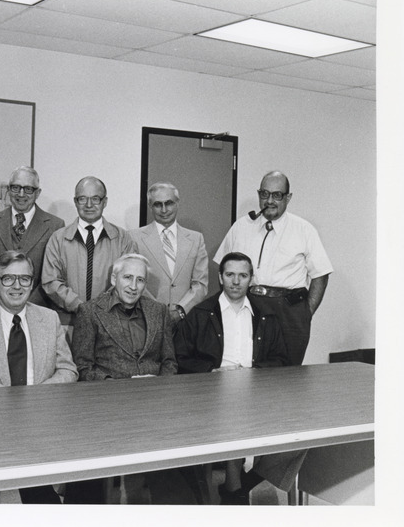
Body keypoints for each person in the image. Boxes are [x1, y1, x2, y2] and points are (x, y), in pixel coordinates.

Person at [0, 251, 77, 503]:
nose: (17, 286)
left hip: (40, 417)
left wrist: (36, 396)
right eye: (8, 278)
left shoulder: (49, 318)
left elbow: (68, 370)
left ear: (32, 283)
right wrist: (8, 399)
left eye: (24, 279)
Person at [174, 252, 292, 504]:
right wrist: (211, 372)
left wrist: (255, 371)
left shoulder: (267, 314)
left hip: (257, 389)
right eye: (230, 275)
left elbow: (282, 359)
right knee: (233, 415)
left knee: (301, 433)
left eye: (242, 275)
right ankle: (234, 489)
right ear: (220, 277)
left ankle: (240, 484)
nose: (236, 281)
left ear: (251, 278)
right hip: (212, 392)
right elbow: (180, 358)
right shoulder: (201, 313)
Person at [66, 253, 176, 504]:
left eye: (140, 280)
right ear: (114, 278)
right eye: (127, 277)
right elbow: (82, 367)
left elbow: (169, 361)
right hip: (108, 406)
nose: (133, 286)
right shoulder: (90, 311)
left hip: (155, 404)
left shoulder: (158, 311)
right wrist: (117, 386)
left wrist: (161, 386)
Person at [214, 171, 332, 365]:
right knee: (246, 366)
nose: (269, 201)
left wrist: (304, 314)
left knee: (287, 375)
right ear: (259, 194)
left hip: (289, 312)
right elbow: (223, 268)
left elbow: (321, 275)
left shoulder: (304, 230)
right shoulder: (241, 227)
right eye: (264, 194)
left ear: (288, 198)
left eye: (277, 195)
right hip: (249, 306)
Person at [42, 176, 136, 331]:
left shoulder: (123, 238)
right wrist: (80, 307)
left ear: (105, 202)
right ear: (75, 201)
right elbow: (50, 281)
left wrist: (100, 309)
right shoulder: (58, 238)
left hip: (111, 324)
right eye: (82, 199)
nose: (89, 205)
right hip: (68, 325)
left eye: (95, 199)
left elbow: (128, 280)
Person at [0, 167, 64, 308]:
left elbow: (54, 276)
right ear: (9, 190)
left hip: (39, 308)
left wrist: (27, 306)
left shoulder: (55, 225)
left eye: (28, 189)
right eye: (16, 188)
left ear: (37, 193)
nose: (21, 194)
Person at [131, 182, 208, 324]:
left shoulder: (196, 239)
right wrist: (156, 312)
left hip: (185, 321)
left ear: (177, 203)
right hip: (147, 320)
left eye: (169, 203)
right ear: (150, 206)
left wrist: (180, 312)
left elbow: (200, 284)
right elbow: (133, 282)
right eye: (157, 204)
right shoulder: (134, 238)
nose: (164, 210)